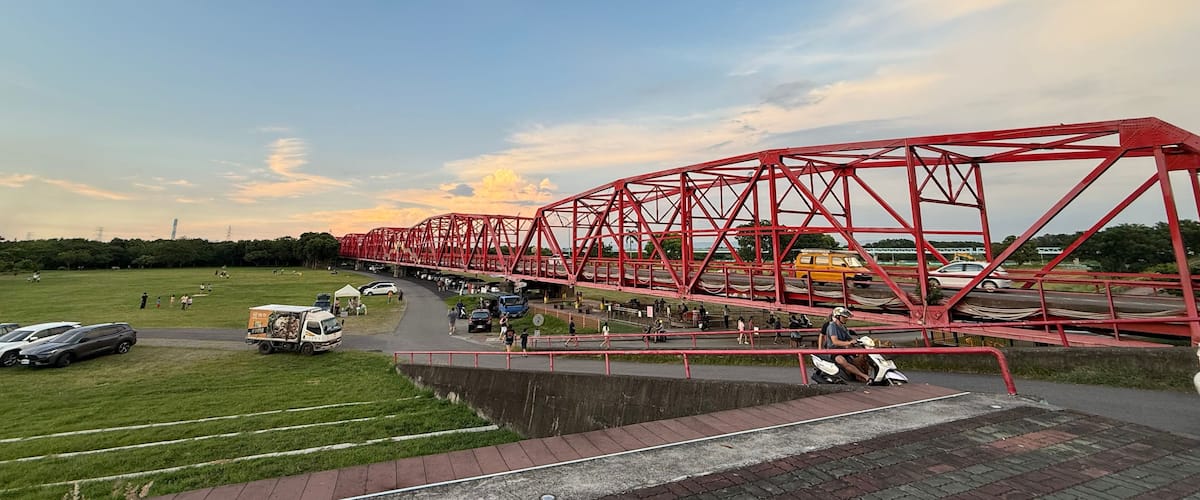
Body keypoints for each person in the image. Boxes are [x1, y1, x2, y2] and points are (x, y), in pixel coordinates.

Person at [824, 307, 870, 383]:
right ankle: (865, 376)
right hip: (834, 351)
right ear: (838, 317)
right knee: (842, 361)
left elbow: (850, 339)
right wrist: (848, 343)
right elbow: (835, 342)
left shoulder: (843, 328)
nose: (846, 318)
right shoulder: (832, 326)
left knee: (863, 355)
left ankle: (860, 375)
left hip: (844, 349)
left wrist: (859, 342)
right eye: (844, 317)